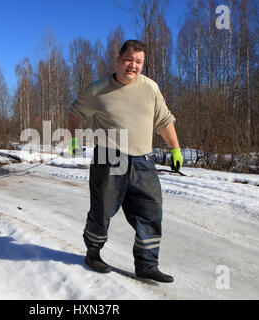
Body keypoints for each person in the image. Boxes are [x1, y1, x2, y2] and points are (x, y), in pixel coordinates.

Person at [67, 40, 183, 283]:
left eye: (139, 61)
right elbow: (75, 113)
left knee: (151, 211)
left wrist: (176, 149)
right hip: (109, 157)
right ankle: (93, 253)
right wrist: (74, 140)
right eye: (129, 60)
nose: (134, 65)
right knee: (103, 210)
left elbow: (164, 121)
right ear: (118, 60)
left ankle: (147, 265)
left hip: (143, 160)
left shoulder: (151, 88)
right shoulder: (98, 89)